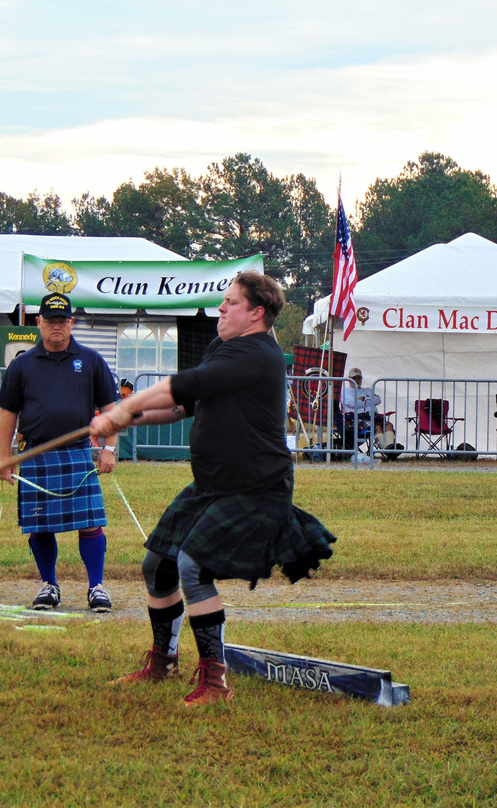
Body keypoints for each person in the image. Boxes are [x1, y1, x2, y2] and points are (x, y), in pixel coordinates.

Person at [91, 271, 336, 707]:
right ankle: (163, 662)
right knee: (157, 566)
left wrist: (122, 408)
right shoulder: (223, 348)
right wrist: (125, 420)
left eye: (231, 303)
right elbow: (184, 404)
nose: (221, 308)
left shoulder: (256, 354)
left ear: (256, 313)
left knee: (194, 566)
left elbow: (181, 386)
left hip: (256, 487)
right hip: (213, 485)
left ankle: (215, 683)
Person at [0, 293, 119, 613]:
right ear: (38, 323)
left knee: (91, 523)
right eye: (50, 320)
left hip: (78, 452)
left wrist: (109, 448)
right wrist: (4, 457)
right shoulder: (22, 365)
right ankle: (49, 585)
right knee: (40, 525)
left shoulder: (91, 360)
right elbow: (8, 415)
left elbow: (110, 409)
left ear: (71, 323)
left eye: (62, 320)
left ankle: (97, 587)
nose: (56, 326)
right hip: (35, 454)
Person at [339, 367, 391, 453]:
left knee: (388, 425)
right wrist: (369, 400)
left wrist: (363, 399)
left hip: (372, 416)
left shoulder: (367, 390)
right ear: (349, 379)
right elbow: (353, 403)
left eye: (358, 378)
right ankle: (386, 450)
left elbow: (378, 400)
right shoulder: (345, 391)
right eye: (354, 378)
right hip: (356, 419)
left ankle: (391, 447)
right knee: (376, 426)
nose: (356, 380)